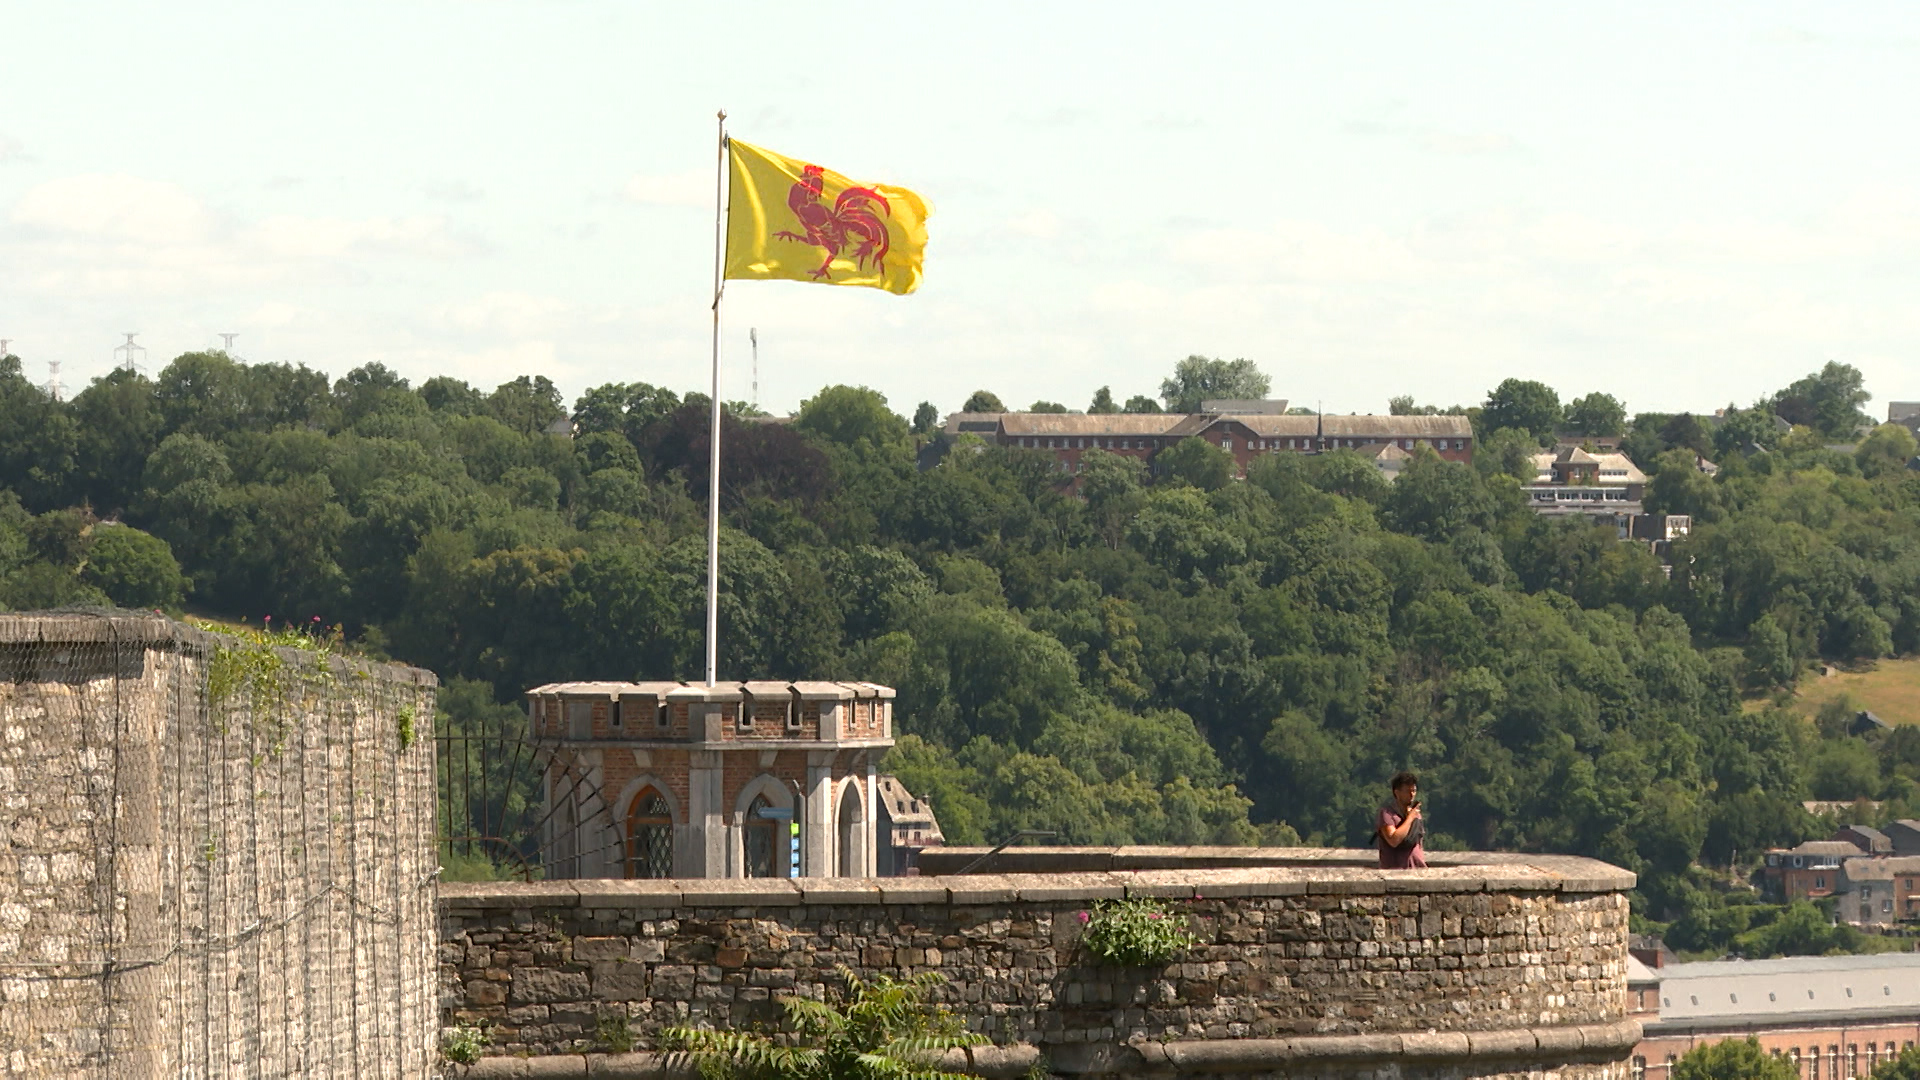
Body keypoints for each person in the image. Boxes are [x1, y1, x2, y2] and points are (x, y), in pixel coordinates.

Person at [1376, 771, 1426, 869]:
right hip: (1395, 871)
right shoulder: (1387, 814)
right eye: (1407, 791)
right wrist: (1410, 818)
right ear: (1397, 792)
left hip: (1417, 869)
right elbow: (1393, 840)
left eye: (1414, 791)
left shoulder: (1416, 814)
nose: (1412, 795)